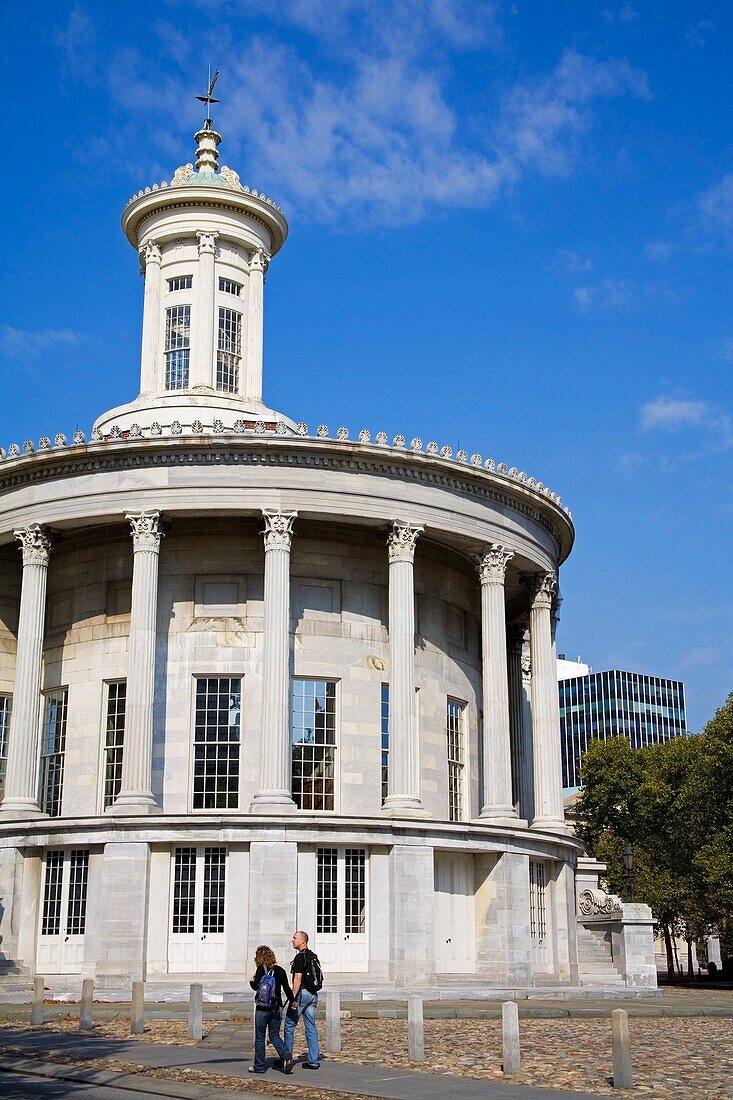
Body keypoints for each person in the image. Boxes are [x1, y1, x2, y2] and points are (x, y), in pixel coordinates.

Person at [248, 945, 295, 1075]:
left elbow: (256, 986)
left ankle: (260, 1066)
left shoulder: (260, 970)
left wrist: (251, 981)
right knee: (274, 1035)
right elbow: (286, 988)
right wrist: (293, 1001)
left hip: (262, 1008)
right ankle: (285, 1054)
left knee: (260, 1037)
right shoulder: (280, 970)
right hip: (277, 1007)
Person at [284, 929, 321, 1069]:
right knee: (311, 1027)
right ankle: (313, 1061)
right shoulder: (313, 956)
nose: (292, 940)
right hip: (313, 995)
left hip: (302, 994)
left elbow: (298, 978)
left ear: (302, 941)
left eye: (294, 938)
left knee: (289, 1026)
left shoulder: (300, 957)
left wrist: (292, 998)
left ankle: (286, 1058)